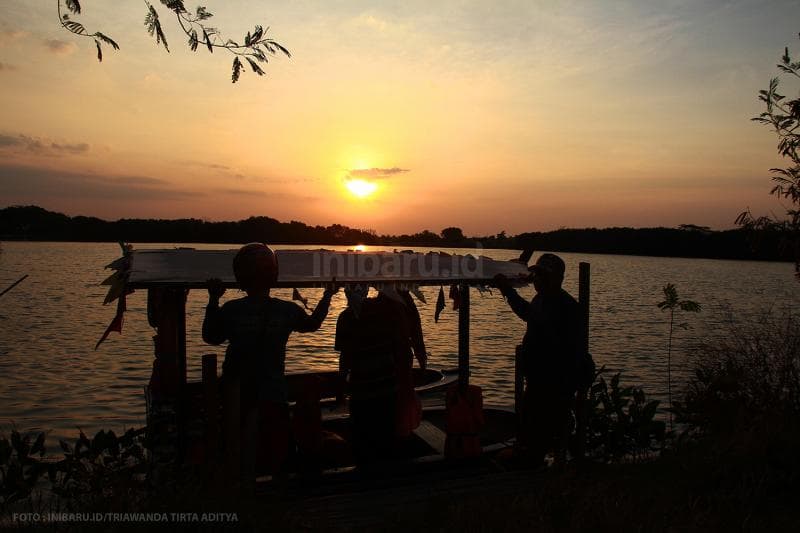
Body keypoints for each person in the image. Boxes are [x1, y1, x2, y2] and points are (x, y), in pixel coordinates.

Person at [202, 242, 337, 480]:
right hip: (273, 394)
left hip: (238, 395)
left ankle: (241, 495)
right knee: (276, 454)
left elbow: (211, 336)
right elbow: (313, 324)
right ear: (273, 275)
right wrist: (328, 295)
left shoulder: (232, 310)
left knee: (237, 451)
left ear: (240, 277)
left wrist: (213, 300)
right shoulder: (286, 310)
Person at [494, 253, 585, 466]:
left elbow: (531, 316)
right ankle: (536, 460)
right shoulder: (543, 298)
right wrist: (507, 289)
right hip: (538, 379)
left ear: (557, 278)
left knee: (543, 428)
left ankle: (535, 468)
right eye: (536, 275)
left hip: (553, 382)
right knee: (532, 426)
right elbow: (530, 314)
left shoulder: (564, 305)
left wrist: (507, 289)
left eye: (542, 276)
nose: (537, 280)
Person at [334, 285, 413, 468]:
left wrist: (341, 388)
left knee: (367, 442)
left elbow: (345, 358)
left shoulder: (347, 317)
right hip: (376, 391)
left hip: (371, 391)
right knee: (380, 440)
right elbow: (345, 357)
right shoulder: (380, 313)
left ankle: (370, 478)